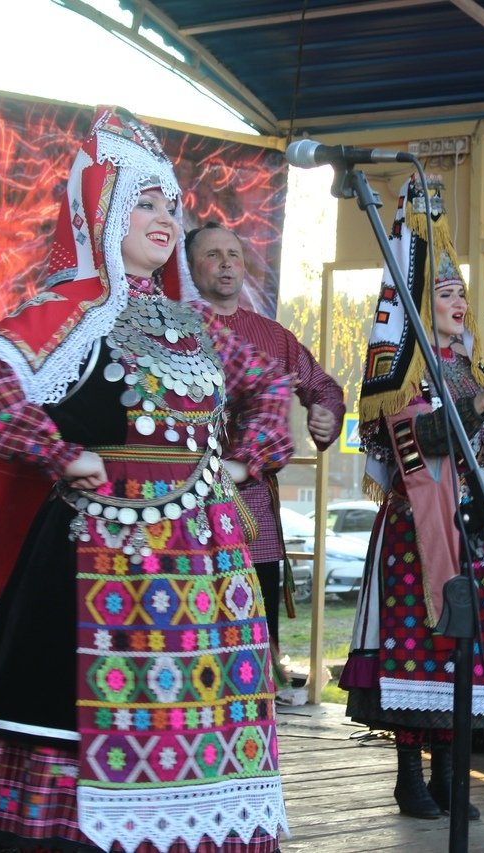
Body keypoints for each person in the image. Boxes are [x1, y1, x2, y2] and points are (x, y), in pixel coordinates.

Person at [0, 107, 293, 853]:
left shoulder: (195, 324)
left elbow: (271, 387)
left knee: (197, 710)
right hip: (103, 547)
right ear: (100, 211)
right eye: (145, 202)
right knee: (85, 707)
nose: (163, 219)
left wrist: (237, 462)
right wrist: (61, 454)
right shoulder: (69, 311)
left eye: (170, 204)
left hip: (202, 556)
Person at [340, 176, 484, 821]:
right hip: (417, 537)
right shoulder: (403, 374)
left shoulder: (472, 369)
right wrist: (475, 407)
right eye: (446, 292)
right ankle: (409, 779)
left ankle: (454, 778)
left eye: (461, 293)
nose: (459, 302)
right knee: (421, 647)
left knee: (465, 653)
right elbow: (398, 436)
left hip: (476, 534)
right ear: (424, 305)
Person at [185, 223, 345, 644]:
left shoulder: (274, 336)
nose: (225, 264)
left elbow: (323, 387)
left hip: (251, 505)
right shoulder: (173, 328)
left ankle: (259, 707)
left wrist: (325, 415)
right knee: (192, 628)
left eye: (233, 254)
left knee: (254, 638)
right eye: (212, 254)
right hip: (183, 499)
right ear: (188, 267)